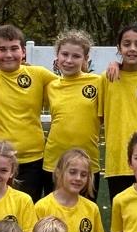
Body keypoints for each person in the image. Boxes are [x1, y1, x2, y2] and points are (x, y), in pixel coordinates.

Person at [0, 24, 55, 199]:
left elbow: (70, 85)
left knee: (27, 210)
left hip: (32, 160)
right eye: (2, 49)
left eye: (14, 48)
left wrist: (114, 65)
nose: (8, 54)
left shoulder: (39, 74)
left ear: (23, 51)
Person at [102, 22, 137, 198]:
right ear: (118, 48)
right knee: (121, 213)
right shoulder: (107, 79)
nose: (132, 49)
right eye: (126, 44)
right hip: (117, 161)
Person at [42, 30, 105, 194]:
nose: (69, 60)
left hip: (86, 163)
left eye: (76, 56)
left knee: (85, 209)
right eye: (65, 54)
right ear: (57, 56)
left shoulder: (98, 83)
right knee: (53, 210)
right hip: (54, 162)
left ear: (85, 59)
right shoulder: (50, 85)